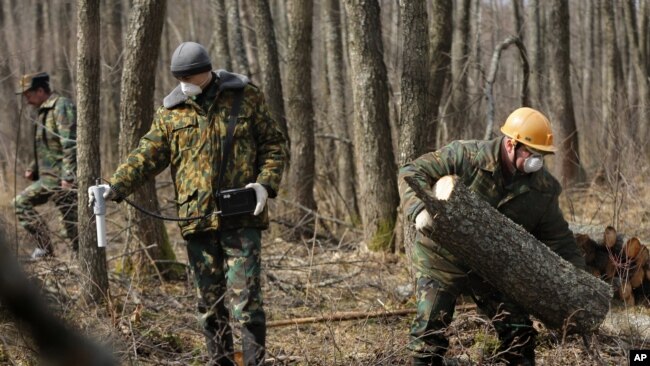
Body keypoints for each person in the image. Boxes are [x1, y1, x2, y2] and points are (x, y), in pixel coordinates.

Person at [101, 41, 287, 366]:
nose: (183, 84)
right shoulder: (171, 114)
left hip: (242, 216)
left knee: (248, 302)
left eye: (189, 77)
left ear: (205, 73)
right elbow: (146, 155)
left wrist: (265, 184)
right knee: (209, 305)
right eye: (178, 78)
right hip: (196, 220)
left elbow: (274, 143)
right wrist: (115, 186)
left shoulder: (245, 97)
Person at [398, 107, 586, 366]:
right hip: (441, 258)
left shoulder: (542, 188)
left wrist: (578, 283)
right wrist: (419, 209)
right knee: (428, 336)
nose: (537, 161)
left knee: (520, 337)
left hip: (492, 268)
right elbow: (410, 172)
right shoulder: (467, 156)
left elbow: (559, 238)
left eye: (542, 155)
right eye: (533, 154)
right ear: (511, 144)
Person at [14, 72, 78, 259]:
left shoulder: (61, 106)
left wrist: (69, 176)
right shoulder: (43, 111)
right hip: (51, 177)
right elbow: (47, 147)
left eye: (28, 95)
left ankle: (83, 265)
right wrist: (33, 168)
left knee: (72, 227)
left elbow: (70, 143)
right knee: (71, 226)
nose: (27, 100)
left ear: (40, 90)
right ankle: (47, 250)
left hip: (60, 178)